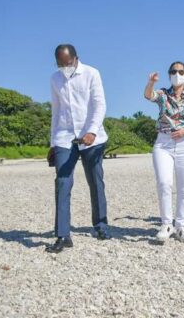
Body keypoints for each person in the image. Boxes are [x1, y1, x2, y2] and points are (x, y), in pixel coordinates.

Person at [46, 44, 110, 253]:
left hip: (91, 137)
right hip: (65, 137)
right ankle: (63, 235)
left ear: (76, 59)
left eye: (67, 63)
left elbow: (100, 105)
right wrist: (53, 143)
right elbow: (56, 112)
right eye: (60, 64)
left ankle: (100, 225)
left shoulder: (92, 73)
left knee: (95, 180)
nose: (64, 67)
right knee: (62, 183)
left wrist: (91, 131)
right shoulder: (55, 79)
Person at [144, 61, 184, 243]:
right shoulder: (163, 94)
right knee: (164, 182)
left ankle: (181, 226)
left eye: (180, 71)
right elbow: (148, 95)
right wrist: (151, 82)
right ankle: (166, 224)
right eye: (173, 71)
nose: (177, 74)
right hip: (164, 142)